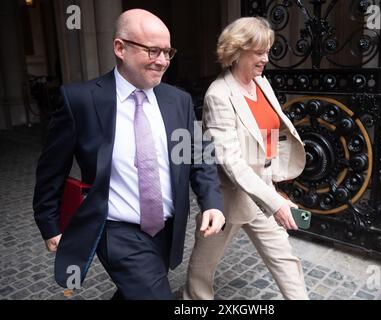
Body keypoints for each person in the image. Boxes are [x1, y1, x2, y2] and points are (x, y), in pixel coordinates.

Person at [33, 9, 225, 300]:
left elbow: (197, 155)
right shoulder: (81, 100)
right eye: (152, 50)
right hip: (116, 229)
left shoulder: (179, 101)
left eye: (167, 51)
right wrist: (49, 224)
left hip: (166, 227)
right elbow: (52, 168)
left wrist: (211, 201)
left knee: (136, 290)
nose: (162, 61)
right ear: (120, 48)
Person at [184, 17, 309, 300]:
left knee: (285, 259)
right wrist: (275, 202)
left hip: (260, 192)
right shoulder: (218, 95)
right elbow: (231, 162)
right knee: (202, 268)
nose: (266, 58)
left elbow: (266, 140)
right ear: (237, 50)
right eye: (260, 52)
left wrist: (272, 187)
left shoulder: (262, 84)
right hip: (227, 199)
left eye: (268, 51)